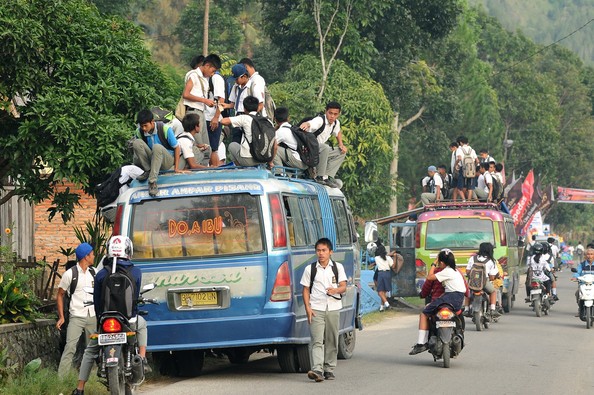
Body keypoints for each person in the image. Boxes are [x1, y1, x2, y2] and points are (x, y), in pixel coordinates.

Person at [71, 236, 148, 395]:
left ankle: (79, 388)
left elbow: (97, 301)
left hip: (105, 322)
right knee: (142, 324)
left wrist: (101, 319)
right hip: (129, 321)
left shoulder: (100, 275)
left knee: (90, 350)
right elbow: (135, 299)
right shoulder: (136, 272)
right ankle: (141, 358)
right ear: (128, 250)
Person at [300, 238, 347, 382]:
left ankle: (329, 369)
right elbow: (305, 289)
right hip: (316, 309)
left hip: (333, 308)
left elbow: (343, 286)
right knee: (317, 340)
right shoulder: (310, 269)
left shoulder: (337, 267)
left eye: (324, 250)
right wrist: (308, 308)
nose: (321, 253)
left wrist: (335, 290)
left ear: (330, 252)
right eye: (318, 250)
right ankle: (317, 370)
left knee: (332, 339)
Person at [409, 249, 466, 355]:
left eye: (439, 262)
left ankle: (421, 343)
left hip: (451, 297)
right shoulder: (456, 271)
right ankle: (460, 335)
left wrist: (433, 264)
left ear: (443, 263)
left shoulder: (445, 271)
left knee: (424, 314)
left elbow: (429, 278)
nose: (438, 264)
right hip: (458, 298)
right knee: (460, 316)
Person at [56, 243, 97, 377]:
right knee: (70, 348)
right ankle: (61, 380)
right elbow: (60, 294)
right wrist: (62, 317)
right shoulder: (70, 274)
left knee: (93, 348)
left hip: (92, 316)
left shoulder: (94, 273)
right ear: (86, 256)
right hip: (76, 316)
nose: (94, 256)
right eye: (92, 254)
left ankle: (92, 379)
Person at [132, 109, 182, 197]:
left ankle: (152, 181)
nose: (143, 128)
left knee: (157, 146)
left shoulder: (165, 128)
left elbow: (177, 147)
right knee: (136, 142)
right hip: (153, 159)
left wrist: (176, 168)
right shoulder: (139, 131)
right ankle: (148, 170)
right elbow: (140, 148)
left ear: (152, 122)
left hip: (167, 160)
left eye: (145, 126)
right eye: (141, 126)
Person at [299, 102, 347, 188]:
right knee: (325, 147)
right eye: (330, 113)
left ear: (338, 114)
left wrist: (341, 144)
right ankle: (319, 177)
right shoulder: (320, 120)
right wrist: (307, 124)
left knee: (341, 152)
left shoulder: (336, 123)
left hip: (321, 151)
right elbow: (312, 123)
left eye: (335, 114)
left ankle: (327, 176)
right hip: (309, 150)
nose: (332, 116)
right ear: (326, 111)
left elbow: (338, 132)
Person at [220, 95, 276, 167]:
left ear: (244, 108)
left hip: (247, 160)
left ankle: (241, 168)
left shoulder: (245, 118)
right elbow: (275, 145)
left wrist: (220, 109)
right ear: (257, 107)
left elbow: (224, 121)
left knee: (232, 145)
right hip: (263, 159)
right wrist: (270, 162)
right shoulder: (268, 121)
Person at [182, 54, 222, 148]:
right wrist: (205, 100)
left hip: (201, 113)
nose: (212, 74)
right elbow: (186, 94)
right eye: (213, 71)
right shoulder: (193, 75)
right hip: (193, 113)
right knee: (199, 146)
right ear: (207, 65)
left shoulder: (204, 78)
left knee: (206, 147)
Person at [462, 242, 501, 318]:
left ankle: (466, 309)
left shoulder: (472, 258)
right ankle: (492, 309)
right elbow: (492, 277)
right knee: (493, 291)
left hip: (472, 282)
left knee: (468, 292)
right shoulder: (491, 261)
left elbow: (467, 271)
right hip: (484, 282)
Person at [222, 63, 251, 144]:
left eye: (237, 79)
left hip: (247, 117)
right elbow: (233, 104)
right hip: (237, 116)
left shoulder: (251, 87)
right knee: (236, 141)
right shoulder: (236, 87)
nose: (235, 81)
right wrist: (226, 106)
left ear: (244, 76)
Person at [205, 69, 225, 166]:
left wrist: (216, 118)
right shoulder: (208, 78)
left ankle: (214, 171)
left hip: (212, 118)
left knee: (213, 149)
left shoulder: (216, 78)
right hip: (207, 117)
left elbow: (221, 100)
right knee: (209, 148)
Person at [454, 136, 478, 201]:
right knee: (470, 188)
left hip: (463, 169)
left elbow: (459, 158)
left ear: (461, 142)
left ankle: (464, 199)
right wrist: (473, 167)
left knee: (459, 187)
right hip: (471, 170)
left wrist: (456, 165)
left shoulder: (459, 150)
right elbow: (477, 161)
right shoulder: (472, 150)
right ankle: (469, 201)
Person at [374, 244, 393, 312]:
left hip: (381, 274)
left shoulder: (376, 258)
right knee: (383, 292)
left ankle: (387, 305)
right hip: (388, 273)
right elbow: (392, 265)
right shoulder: (388, 258)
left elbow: (380, 257)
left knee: (379, 292)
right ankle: (381, 307)